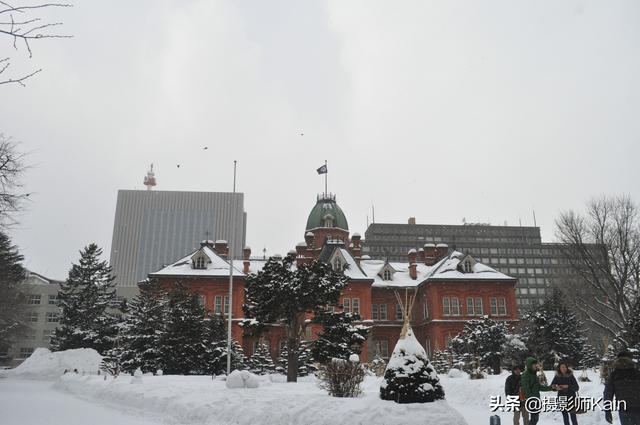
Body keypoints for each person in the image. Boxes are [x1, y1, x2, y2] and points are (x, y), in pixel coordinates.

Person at [604, 351, 640, 425]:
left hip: (624, 409)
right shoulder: (637, 373)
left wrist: (607, 411)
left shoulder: (614, 375)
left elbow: (608, 394)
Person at [521, 357, 554, 425]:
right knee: (534, 418)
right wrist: (532, 399)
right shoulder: (525, 374)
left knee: (535, 419)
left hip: (536, 399)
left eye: (536, 364)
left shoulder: (534, 374)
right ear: (529, 365)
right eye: (533, 364)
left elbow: (539, 387)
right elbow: (526, 388)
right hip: (531, 400)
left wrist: (552, 388)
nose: (536, 365)